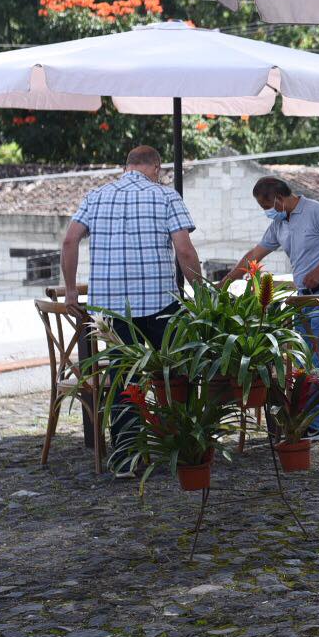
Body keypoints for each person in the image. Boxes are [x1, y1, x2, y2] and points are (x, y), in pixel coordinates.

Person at [61, 146, 200, 466]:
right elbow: (185, 251)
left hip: (111, 314)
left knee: (125, 379)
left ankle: (127, 457)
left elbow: (69, 241)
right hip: (161, 305)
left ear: (127, 167)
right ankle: (183, 448)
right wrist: (200, 292)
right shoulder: (166, 197)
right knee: (177, 373)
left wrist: (71, 291)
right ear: (156, 167)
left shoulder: (95, 196)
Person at [222, 176, 319, 441]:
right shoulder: (279, 223)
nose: (266, 212)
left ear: (280, 199)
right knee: (303, 364)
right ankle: (306, 420)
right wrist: (228, 279)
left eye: (266, 206)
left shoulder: (316, 211)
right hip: (302, 299)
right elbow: (256, 254)